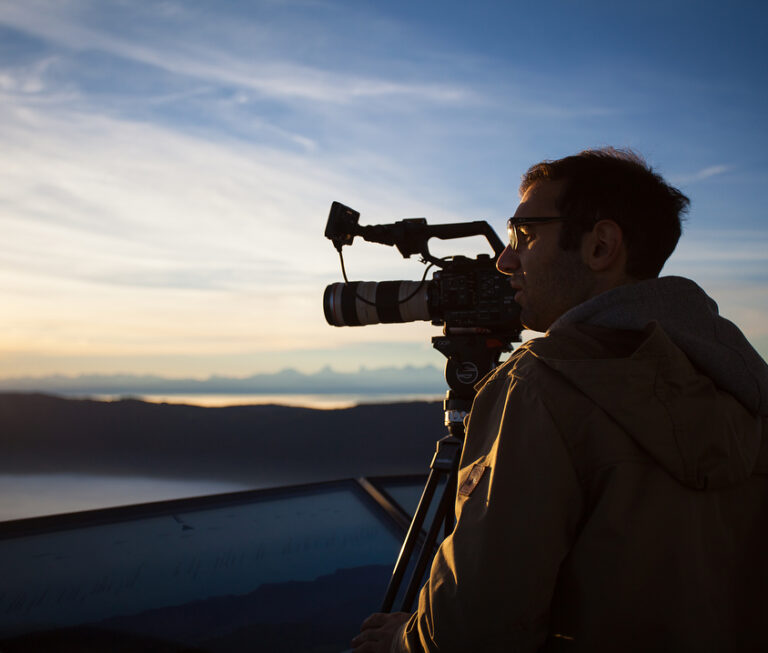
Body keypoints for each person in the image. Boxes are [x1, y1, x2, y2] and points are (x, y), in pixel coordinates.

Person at [351, 147, 768, 652]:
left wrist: (403, 641)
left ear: (601, 247)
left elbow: (475, 629)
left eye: (523, 235)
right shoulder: (739, 381)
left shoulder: (541, 386)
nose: (505, 260)